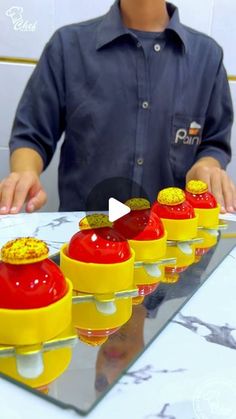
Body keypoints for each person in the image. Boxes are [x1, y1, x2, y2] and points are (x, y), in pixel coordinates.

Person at [0, 0, 235, 214]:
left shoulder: (207, 57)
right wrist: (25, 172)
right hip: (85, 244)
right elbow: (32, 135)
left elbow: (214, 143)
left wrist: (207, 166)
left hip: (173, 246)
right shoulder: (68, 46)